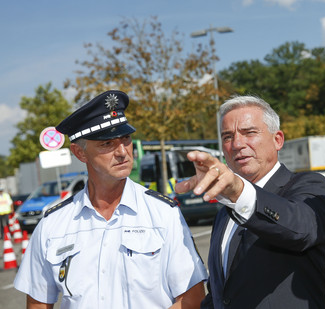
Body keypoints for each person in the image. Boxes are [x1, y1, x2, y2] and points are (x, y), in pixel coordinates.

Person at [14, 90, 207, 309]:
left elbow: (192, 298)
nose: (122, 152)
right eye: (107, 144)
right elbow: (38, 302)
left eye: (126, 139)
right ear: (80, 153)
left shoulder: (163, 213)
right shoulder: (53, 224)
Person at [175, 95, 325, 309]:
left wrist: (239, 193)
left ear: (278, 140)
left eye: (249, 133)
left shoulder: (308, 185)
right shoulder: (225, 211)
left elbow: (301, 229)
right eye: (227, 136)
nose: (237, 144)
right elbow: (221, 291)